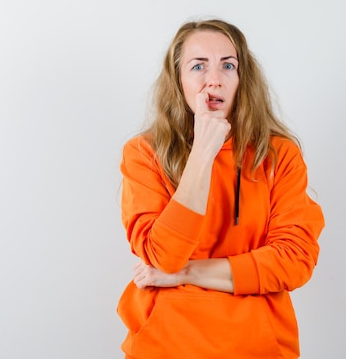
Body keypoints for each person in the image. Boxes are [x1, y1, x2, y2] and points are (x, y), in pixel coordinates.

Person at [117, 18, 325, 359]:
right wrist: (202, 152)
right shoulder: (144, 153)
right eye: (198, 66)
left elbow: (294, 260)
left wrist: (186, 273)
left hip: (257, 345)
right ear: (178, 80)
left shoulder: (279, 155)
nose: (214, 79)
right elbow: (163, 256)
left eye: (228, 65)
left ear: (242, 79)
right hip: (165, 344)